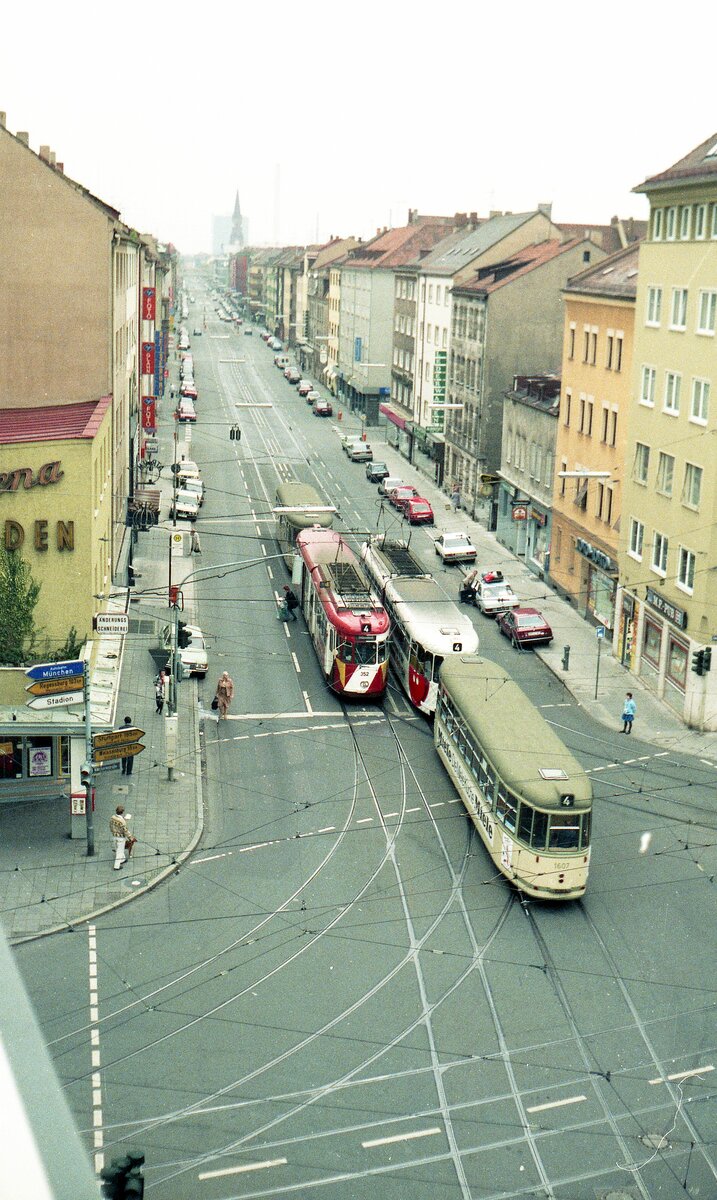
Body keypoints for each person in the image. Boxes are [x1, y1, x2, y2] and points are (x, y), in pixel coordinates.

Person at [110, 804, 131, 870]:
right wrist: (130, 837)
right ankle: (116, 866)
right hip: (121, 837)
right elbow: (125, 830)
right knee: (120, 851)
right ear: (122, 812)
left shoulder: (112, 817)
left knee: (117, 849)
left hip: (114, 835)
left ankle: (122, 859)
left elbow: (110, 826)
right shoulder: (122, 821)